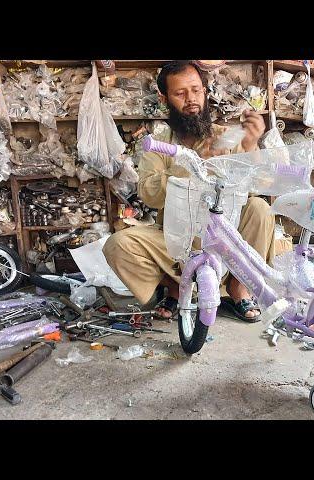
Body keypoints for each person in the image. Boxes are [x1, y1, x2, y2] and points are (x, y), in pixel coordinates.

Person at [103, 61, 274, 322]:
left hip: (222, 233)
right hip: (175, 236)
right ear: (165, 98)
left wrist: (251, 146)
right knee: (118, 245)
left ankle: (238, 287)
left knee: (259, 209)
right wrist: (190, 163)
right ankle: (174, 286)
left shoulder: (225, 136)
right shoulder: (157, 143)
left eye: (195, 90)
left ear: (205, 92)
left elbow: (255, 186)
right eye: (180, 94)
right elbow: (149, 194)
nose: (191, 100)